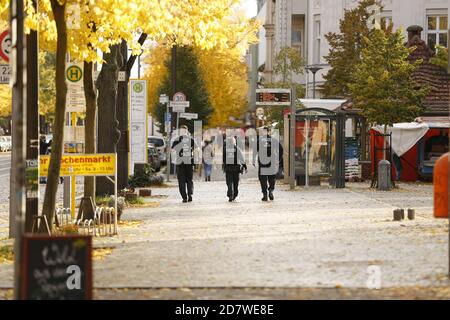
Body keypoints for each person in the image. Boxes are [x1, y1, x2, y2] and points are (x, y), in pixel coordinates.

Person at [254, 127, 283, 202]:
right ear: (268, 132)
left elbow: (255, 151)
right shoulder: (273, 140)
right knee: (272, 177)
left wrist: (253, 160)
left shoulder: (259, 140)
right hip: (272, 161)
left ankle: (265, 195)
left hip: (262, 162)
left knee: (262, 179)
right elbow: (281, 149)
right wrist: (278, 159)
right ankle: (271, 190)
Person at [172, 125, 198, 203]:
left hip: (180, 163)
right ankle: (190, 194)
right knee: (189, 180)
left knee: (181, 181)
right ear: (187, 131)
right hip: (189, 162)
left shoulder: (177, 140)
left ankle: (184, 197)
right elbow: (197, 149)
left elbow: (172, 150)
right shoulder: (191, 139)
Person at [223, 135, 247, 202]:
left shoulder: (225, 149)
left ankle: (230, 195)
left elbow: (223, 159)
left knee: (229, 182)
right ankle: (234, 195)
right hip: (236, 169)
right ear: (234, 142)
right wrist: (245, 166)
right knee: (236, 183)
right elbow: (241, 158)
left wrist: (224, 166)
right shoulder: (237, 149)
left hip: (228, 168)